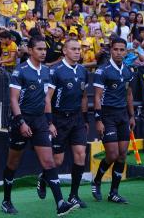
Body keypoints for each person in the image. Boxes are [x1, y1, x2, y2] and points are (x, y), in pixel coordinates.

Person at [1, 36, 79, 216]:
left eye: (45, 49)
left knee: (49, 161)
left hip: (40, 121)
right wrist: (21, 122)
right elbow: (13, 99)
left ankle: (60, 203)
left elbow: (46, 99)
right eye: (39, 49)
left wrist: (50, 122)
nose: (43, 52)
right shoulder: (20, 71)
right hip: (21, 120)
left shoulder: (47, 71)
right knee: (13, 163)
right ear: (30, 50)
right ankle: (6, 200)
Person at [42, 39, 89, 208]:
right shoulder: (55, 71)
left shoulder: (84, 70)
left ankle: (74, 195)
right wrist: (50, 122)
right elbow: (47, 98)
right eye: (74, 49)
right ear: (65, 51)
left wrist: (85, 119)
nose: (77, 52)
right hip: (59, 119)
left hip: (76, 118)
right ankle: (44, 177)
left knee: (81, 155)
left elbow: (84, 96)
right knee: (58, 161)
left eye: (79, 49)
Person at [91, 38, 135, 204]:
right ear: (111, 50)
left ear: (126, 52)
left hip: (123, 115)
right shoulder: (102, 70)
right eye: (116, 49)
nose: (118, 52)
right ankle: (97, 180)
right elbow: (97, 96)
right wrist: (98, 119)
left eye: (122, 49)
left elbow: (129, 94)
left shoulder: (128, 70)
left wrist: (132, 116)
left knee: (122, 155)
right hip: (107, 115)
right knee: (113, 154)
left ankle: (114, 192)